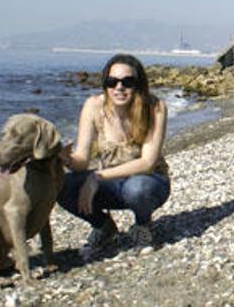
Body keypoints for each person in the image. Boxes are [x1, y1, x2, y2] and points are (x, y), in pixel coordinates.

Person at [58, 54, 170, 253]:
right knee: (61, 186)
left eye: (127, 82)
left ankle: (143, 226)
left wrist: (96, 177)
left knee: (138, 188)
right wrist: (66, 159)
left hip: (149, 183)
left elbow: (147, 163)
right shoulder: (93, 106)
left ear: (138, 84)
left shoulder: (155, 107)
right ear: (105, 84)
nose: (119, 87)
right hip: (110, 184)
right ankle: (103, 227)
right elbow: (82, 159)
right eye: (112, 82)